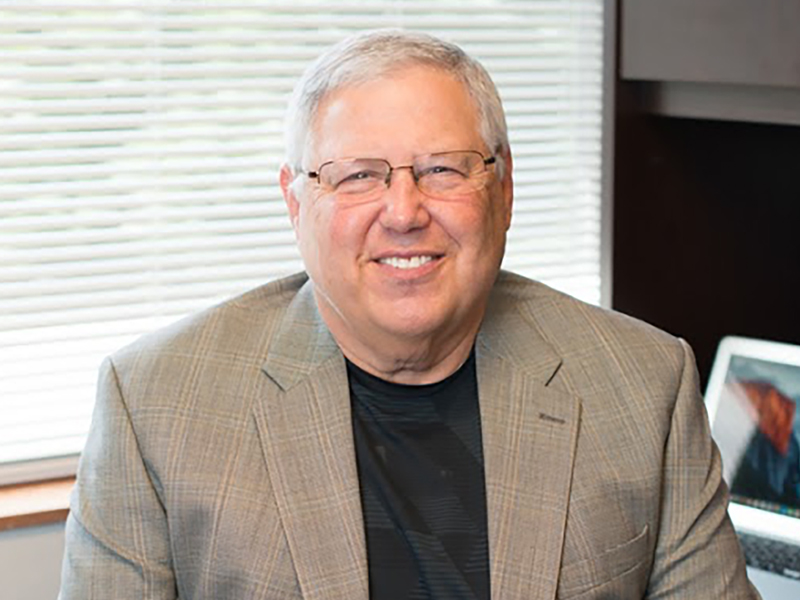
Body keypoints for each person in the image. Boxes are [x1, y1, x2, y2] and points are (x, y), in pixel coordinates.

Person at [59, 29, 760, 599]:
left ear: (503, 189)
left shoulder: (642, 381)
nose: (403, 213)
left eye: (444, 170)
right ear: (296, 202)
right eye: (358, 175)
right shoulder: (154, 401)